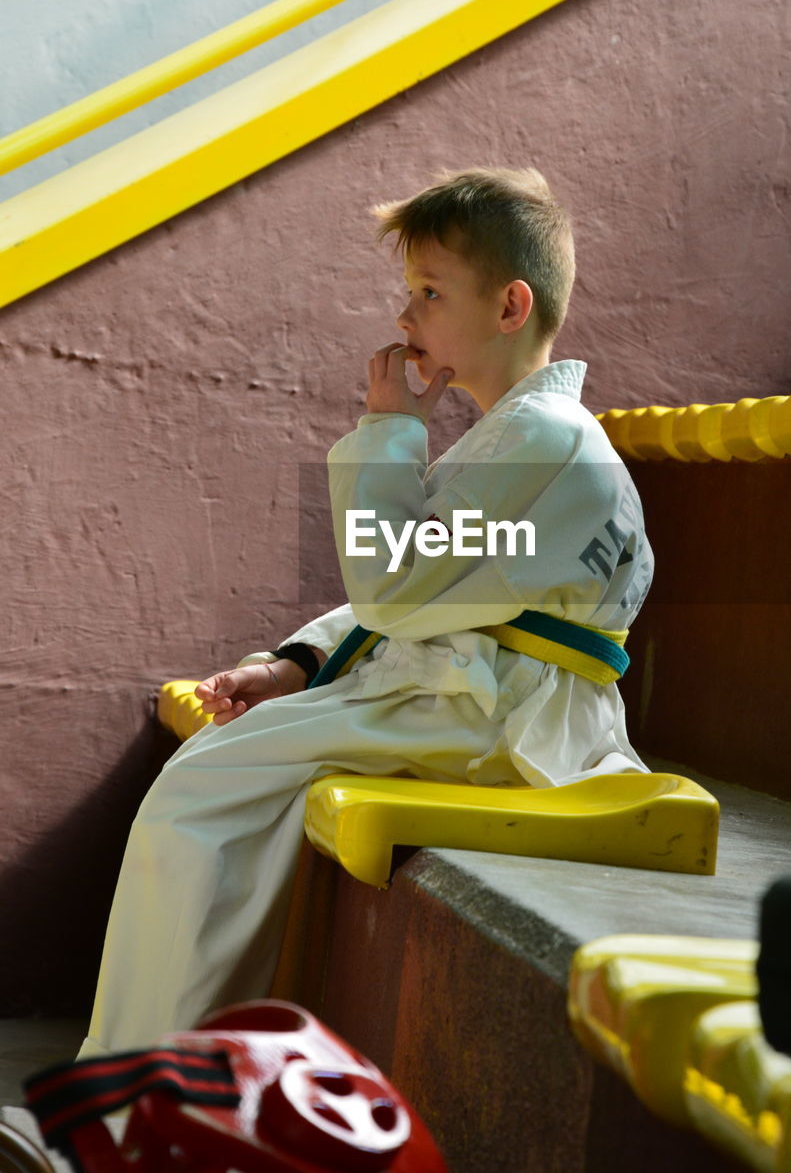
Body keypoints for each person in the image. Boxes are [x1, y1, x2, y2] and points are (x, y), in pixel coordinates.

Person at [79, 167, 653, 1057]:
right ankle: (148, 1083)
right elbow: (422, 598)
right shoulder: (519, 435)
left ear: (509, 306)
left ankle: (148, 1099)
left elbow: (395, 591)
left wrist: (390, 431)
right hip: (472, 694)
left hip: (505, 719)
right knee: (217, 767)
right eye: (406, 291)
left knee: (205, 785)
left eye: (429, 291)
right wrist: (299, 664)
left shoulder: (548, 440)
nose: (405, 316)